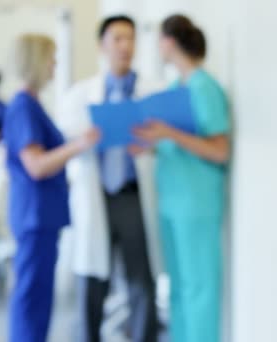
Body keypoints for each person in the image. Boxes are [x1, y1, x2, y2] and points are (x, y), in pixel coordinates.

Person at [55, 15, 161, 342]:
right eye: (117, 39)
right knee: (92, 285)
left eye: (130, 39)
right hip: (97, 196)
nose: (125, 46)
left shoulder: (150, 93)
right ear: (102, 45)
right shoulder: (80, 94)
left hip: (133, 198)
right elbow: (66, 142)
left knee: (141, 282)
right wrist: (84, 140)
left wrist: (151, 146)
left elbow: (168, 142)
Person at [133, 14, 230, 342]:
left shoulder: (205, 87)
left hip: (196, 203)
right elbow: (176, 144)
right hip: (172, 200)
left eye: (158, 40)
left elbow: (219, 149)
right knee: (176, 287)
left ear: (169, 42)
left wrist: (169, 133)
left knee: (198, 289)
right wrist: (150, 147)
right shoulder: (176, 89)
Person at [3, 34, 99, 342]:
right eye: (51, 59)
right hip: (34, 214)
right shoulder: (22, 107)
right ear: (35, 61)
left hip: (41, 214)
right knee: (31, 297)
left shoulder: (31, 105)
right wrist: (79, 145)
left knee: (40, 296)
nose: (55, 66)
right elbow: (36, 165)